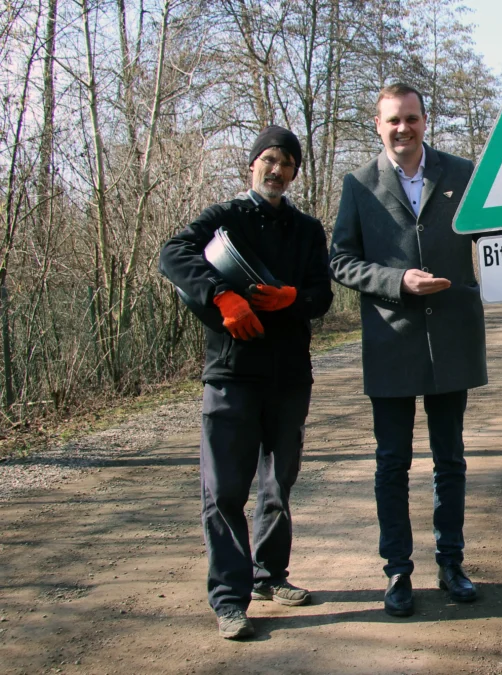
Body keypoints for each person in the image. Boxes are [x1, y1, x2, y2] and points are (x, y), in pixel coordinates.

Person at [159, 126, 333, 639]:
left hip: (288, 377)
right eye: (269, 160)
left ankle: (269, 575)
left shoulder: (307, 229)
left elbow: (322, 294)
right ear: (252, 164)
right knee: (226, 489)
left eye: (287, 164)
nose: (276, 171)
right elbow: (173, 253)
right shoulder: (225, 218)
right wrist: (220, 297)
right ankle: (230, 599)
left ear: (295, 172)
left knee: (279, 484)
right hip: (232, 374)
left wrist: (294, 299)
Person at [329, 83, 485, 618]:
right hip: (391, 341)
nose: (404, 128)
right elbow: (341, 261)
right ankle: (397, 572)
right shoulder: (358, 185)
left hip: (454, 338)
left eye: (412, 118)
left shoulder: (463, 174)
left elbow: (497, 232)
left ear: (425, 120)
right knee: (392, 463)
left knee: (451, 461)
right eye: (393, 120)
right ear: (378, 125)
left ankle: (452, 564)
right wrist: (397, 280)